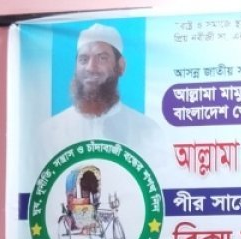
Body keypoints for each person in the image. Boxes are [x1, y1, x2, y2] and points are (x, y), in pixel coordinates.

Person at [34, 23, 164, 174]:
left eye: (102, 58)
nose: (91, 67)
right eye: (83, 59)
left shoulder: (147, 130)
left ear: (121, 66)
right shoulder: (49, 132)